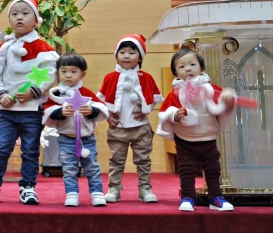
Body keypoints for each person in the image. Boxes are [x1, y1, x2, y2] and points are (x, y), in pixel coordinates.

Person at [0, 0, 59, 205]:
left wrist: (33, 91)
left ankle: (28, 188)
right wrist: (0, 95)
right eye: (14, 14)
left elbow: (49, 73)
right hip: (8, 111)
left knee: (30, 151)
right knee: (1, 148)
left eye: (25, 13)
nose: (19, 18)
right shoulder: (4, 48)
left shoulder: (42, 47)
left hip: (32, 111)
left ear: (36, 20)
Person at [157, 48, 237, 212]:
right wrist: (174, 115)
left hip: (207, 137)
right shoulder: (175, 93)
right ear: (176, 73)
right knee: (186, 170)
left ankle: (215, 197)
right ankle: (187, 197)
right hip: (184, 140)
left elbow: (222, 104)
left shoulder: (210, 89)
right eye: (182, 66)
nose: (188, 69)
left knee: (213, 169)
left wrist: (227, 100)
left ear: (202, 68)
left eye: (192, 64)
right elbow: (164, 112)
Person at [96, 34, 163, 203]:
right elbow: (101, 101)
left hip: (141, 128)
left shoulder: (146, 77)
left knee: (143, 160)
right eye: (122, 52)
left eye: (132, 52)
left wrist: (146, 112)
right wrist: (108, 116)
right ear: (116, 55)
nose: (126, 56)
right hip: (117, 127)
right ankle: (114, 188)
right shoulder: (110, 77)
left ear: (140, 56)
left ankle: (145, 189)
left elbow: (154, 98)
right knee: (116, 161)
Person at [43, 52, 108, 207]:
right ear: (58, 73)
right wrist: (60, 113)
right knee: (69, 168)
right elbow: (47, 111)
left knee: (92, 167)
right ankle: (72, 193)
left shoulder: (86, 93)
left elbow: (101, 108)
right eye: (64, 71)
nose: (68, 75)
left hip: (87, 139)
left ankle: (96, 192)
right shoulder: (55, 94)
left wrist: (92, 111)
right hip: (67, 139)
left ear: (82, 74)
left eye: (73, 71)